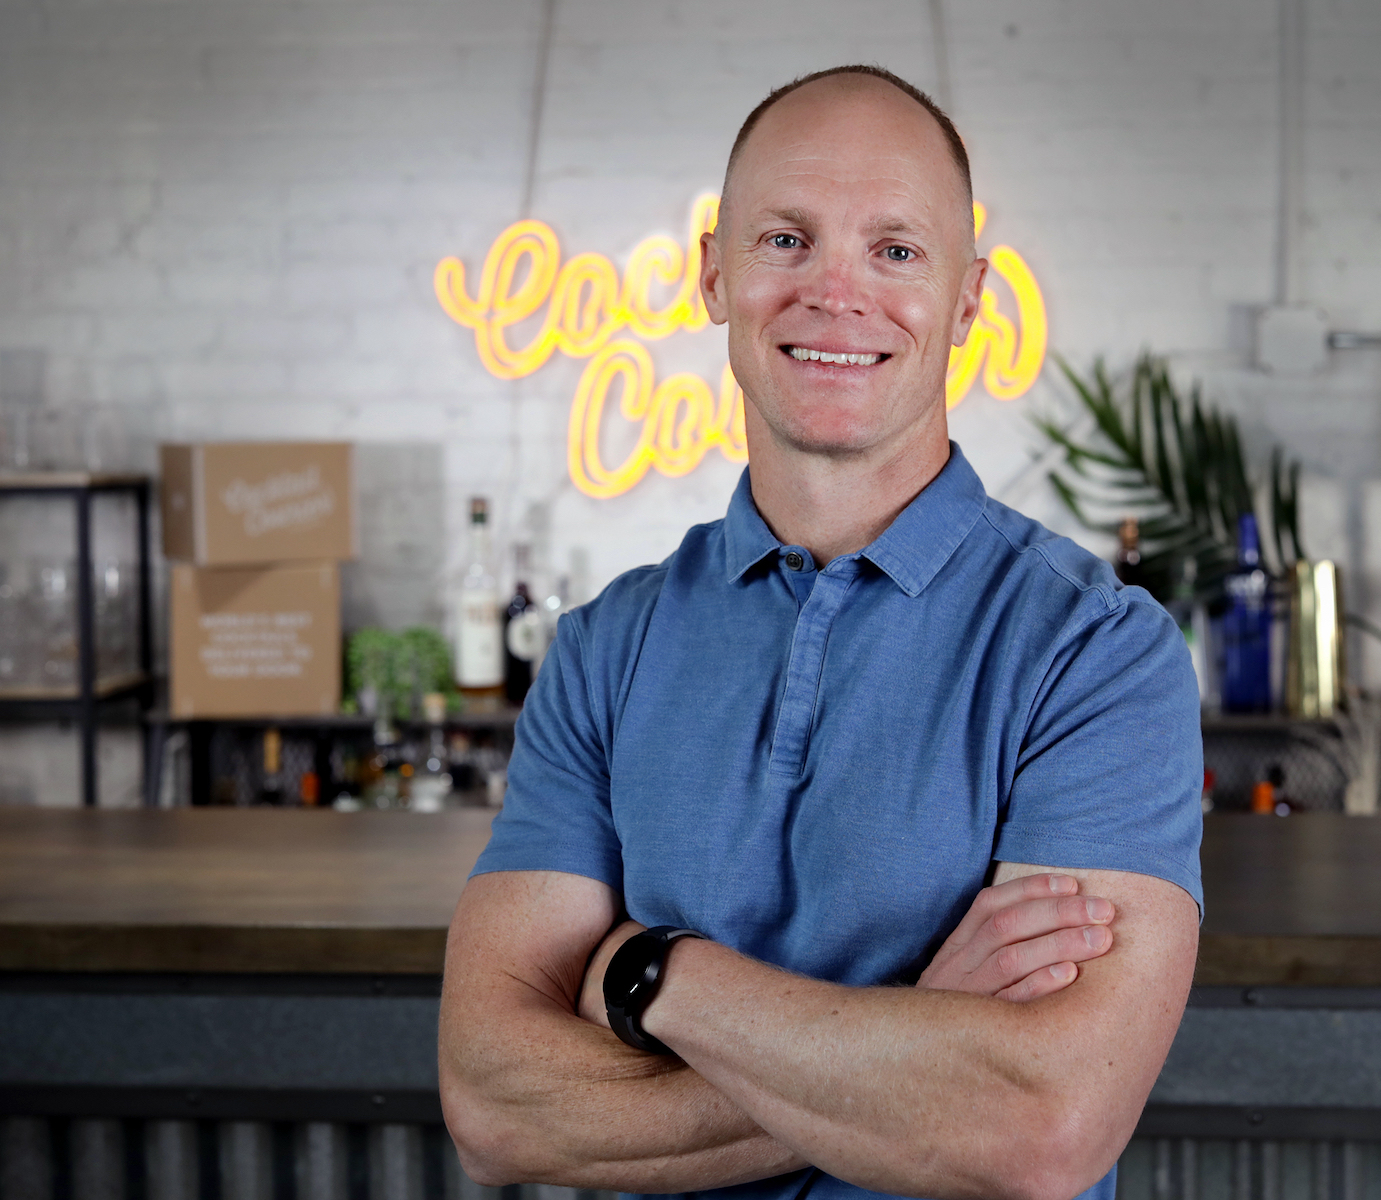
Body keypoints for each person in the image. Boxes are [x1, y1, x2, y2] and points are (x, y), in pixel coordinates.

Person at [440, 65, 1203, 1200]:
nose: (836, 294)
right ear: (714, 273)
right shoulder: (605, 651)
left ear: (968, 299)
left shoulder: (1094, 652)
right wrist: (914, 1037)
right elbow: (496, 1107)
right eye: (786, 240)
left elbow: (1037, 1129)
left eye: (894, 250)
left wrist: (652, 977)